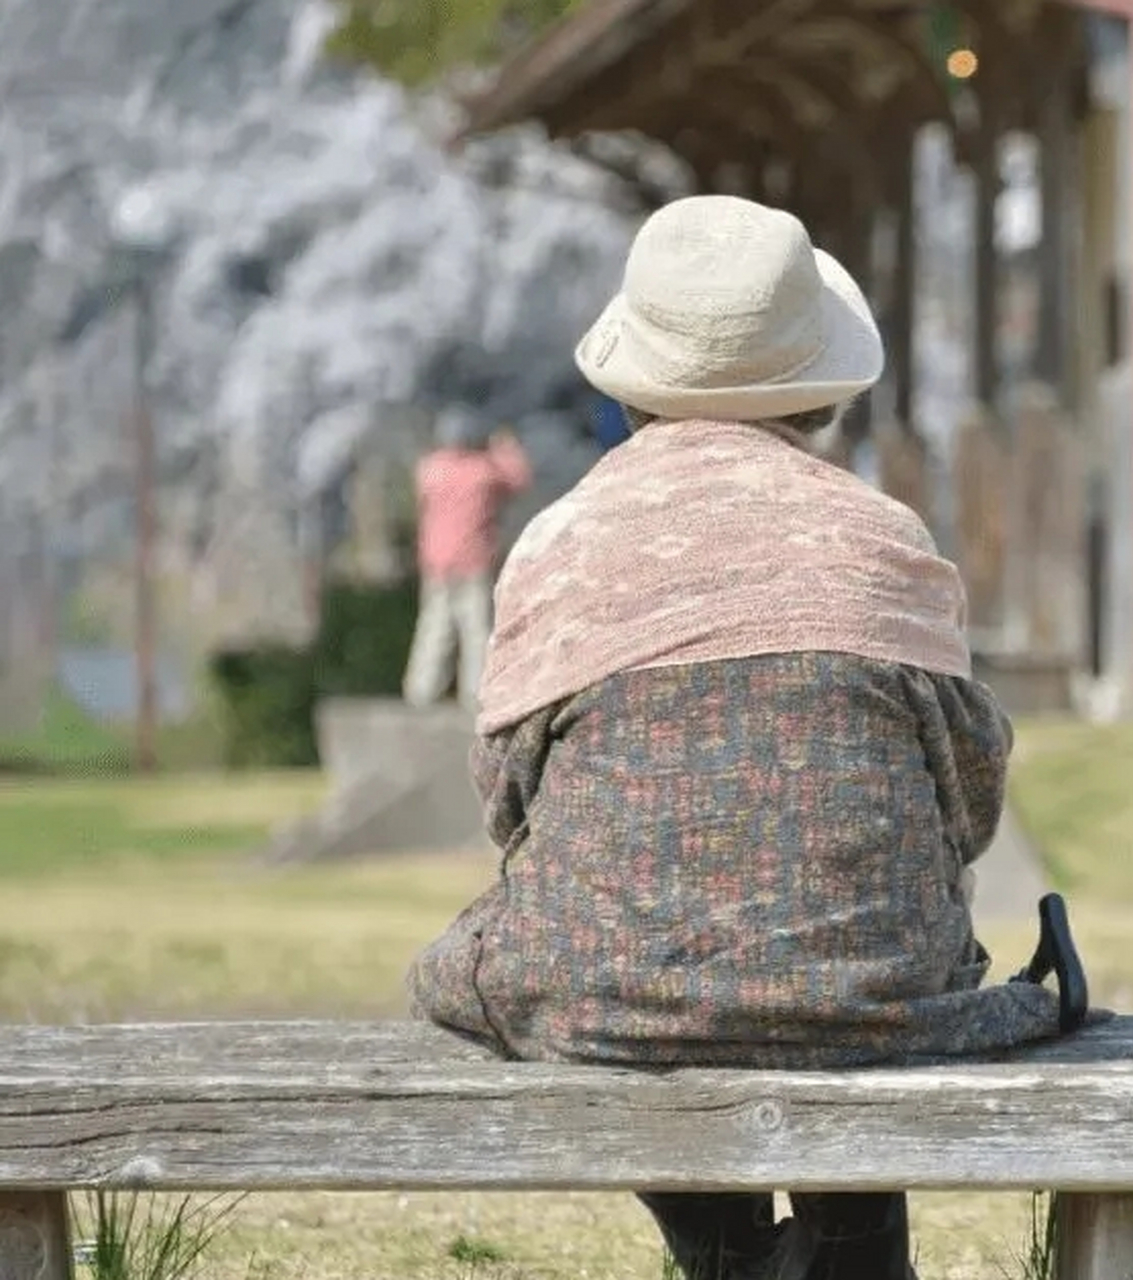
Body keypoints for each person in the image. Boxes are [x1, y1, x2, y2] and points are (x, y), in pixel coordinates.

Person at [406, 195, 1091, 1280]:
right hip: (871, 991)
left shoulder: (558, 543)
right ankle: (854, 1240)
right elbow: (965, 797)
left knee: (537, 956)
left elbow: (509, 798)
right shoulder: (883, 538)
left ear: (632, 379)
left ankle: (724, 1250)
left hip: (611, 991)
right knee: (868, 939)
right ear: (813, 383)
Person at [401, 410, 531, 708]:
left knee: (434, 627)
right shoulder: (483, 471)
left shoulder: (429, 469)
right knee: (476, 630)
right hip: (474, 561)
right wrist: (504, 445)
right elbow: (518, 479)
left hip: (436, 562)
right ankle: (475, 694)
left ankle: (421, 691)